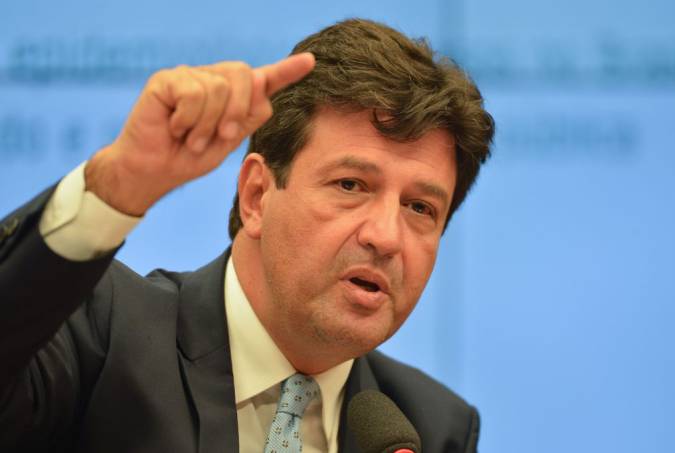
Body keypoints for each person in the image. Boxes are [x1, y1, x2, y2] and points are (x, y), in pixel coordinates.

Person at [0, 18, 494, 453]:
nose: (386, 237)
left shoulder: (430, 429)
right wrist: (117, 183)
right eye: (350, 185)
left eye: (420, 208)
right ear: (256, 195)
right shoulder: (102, 333)